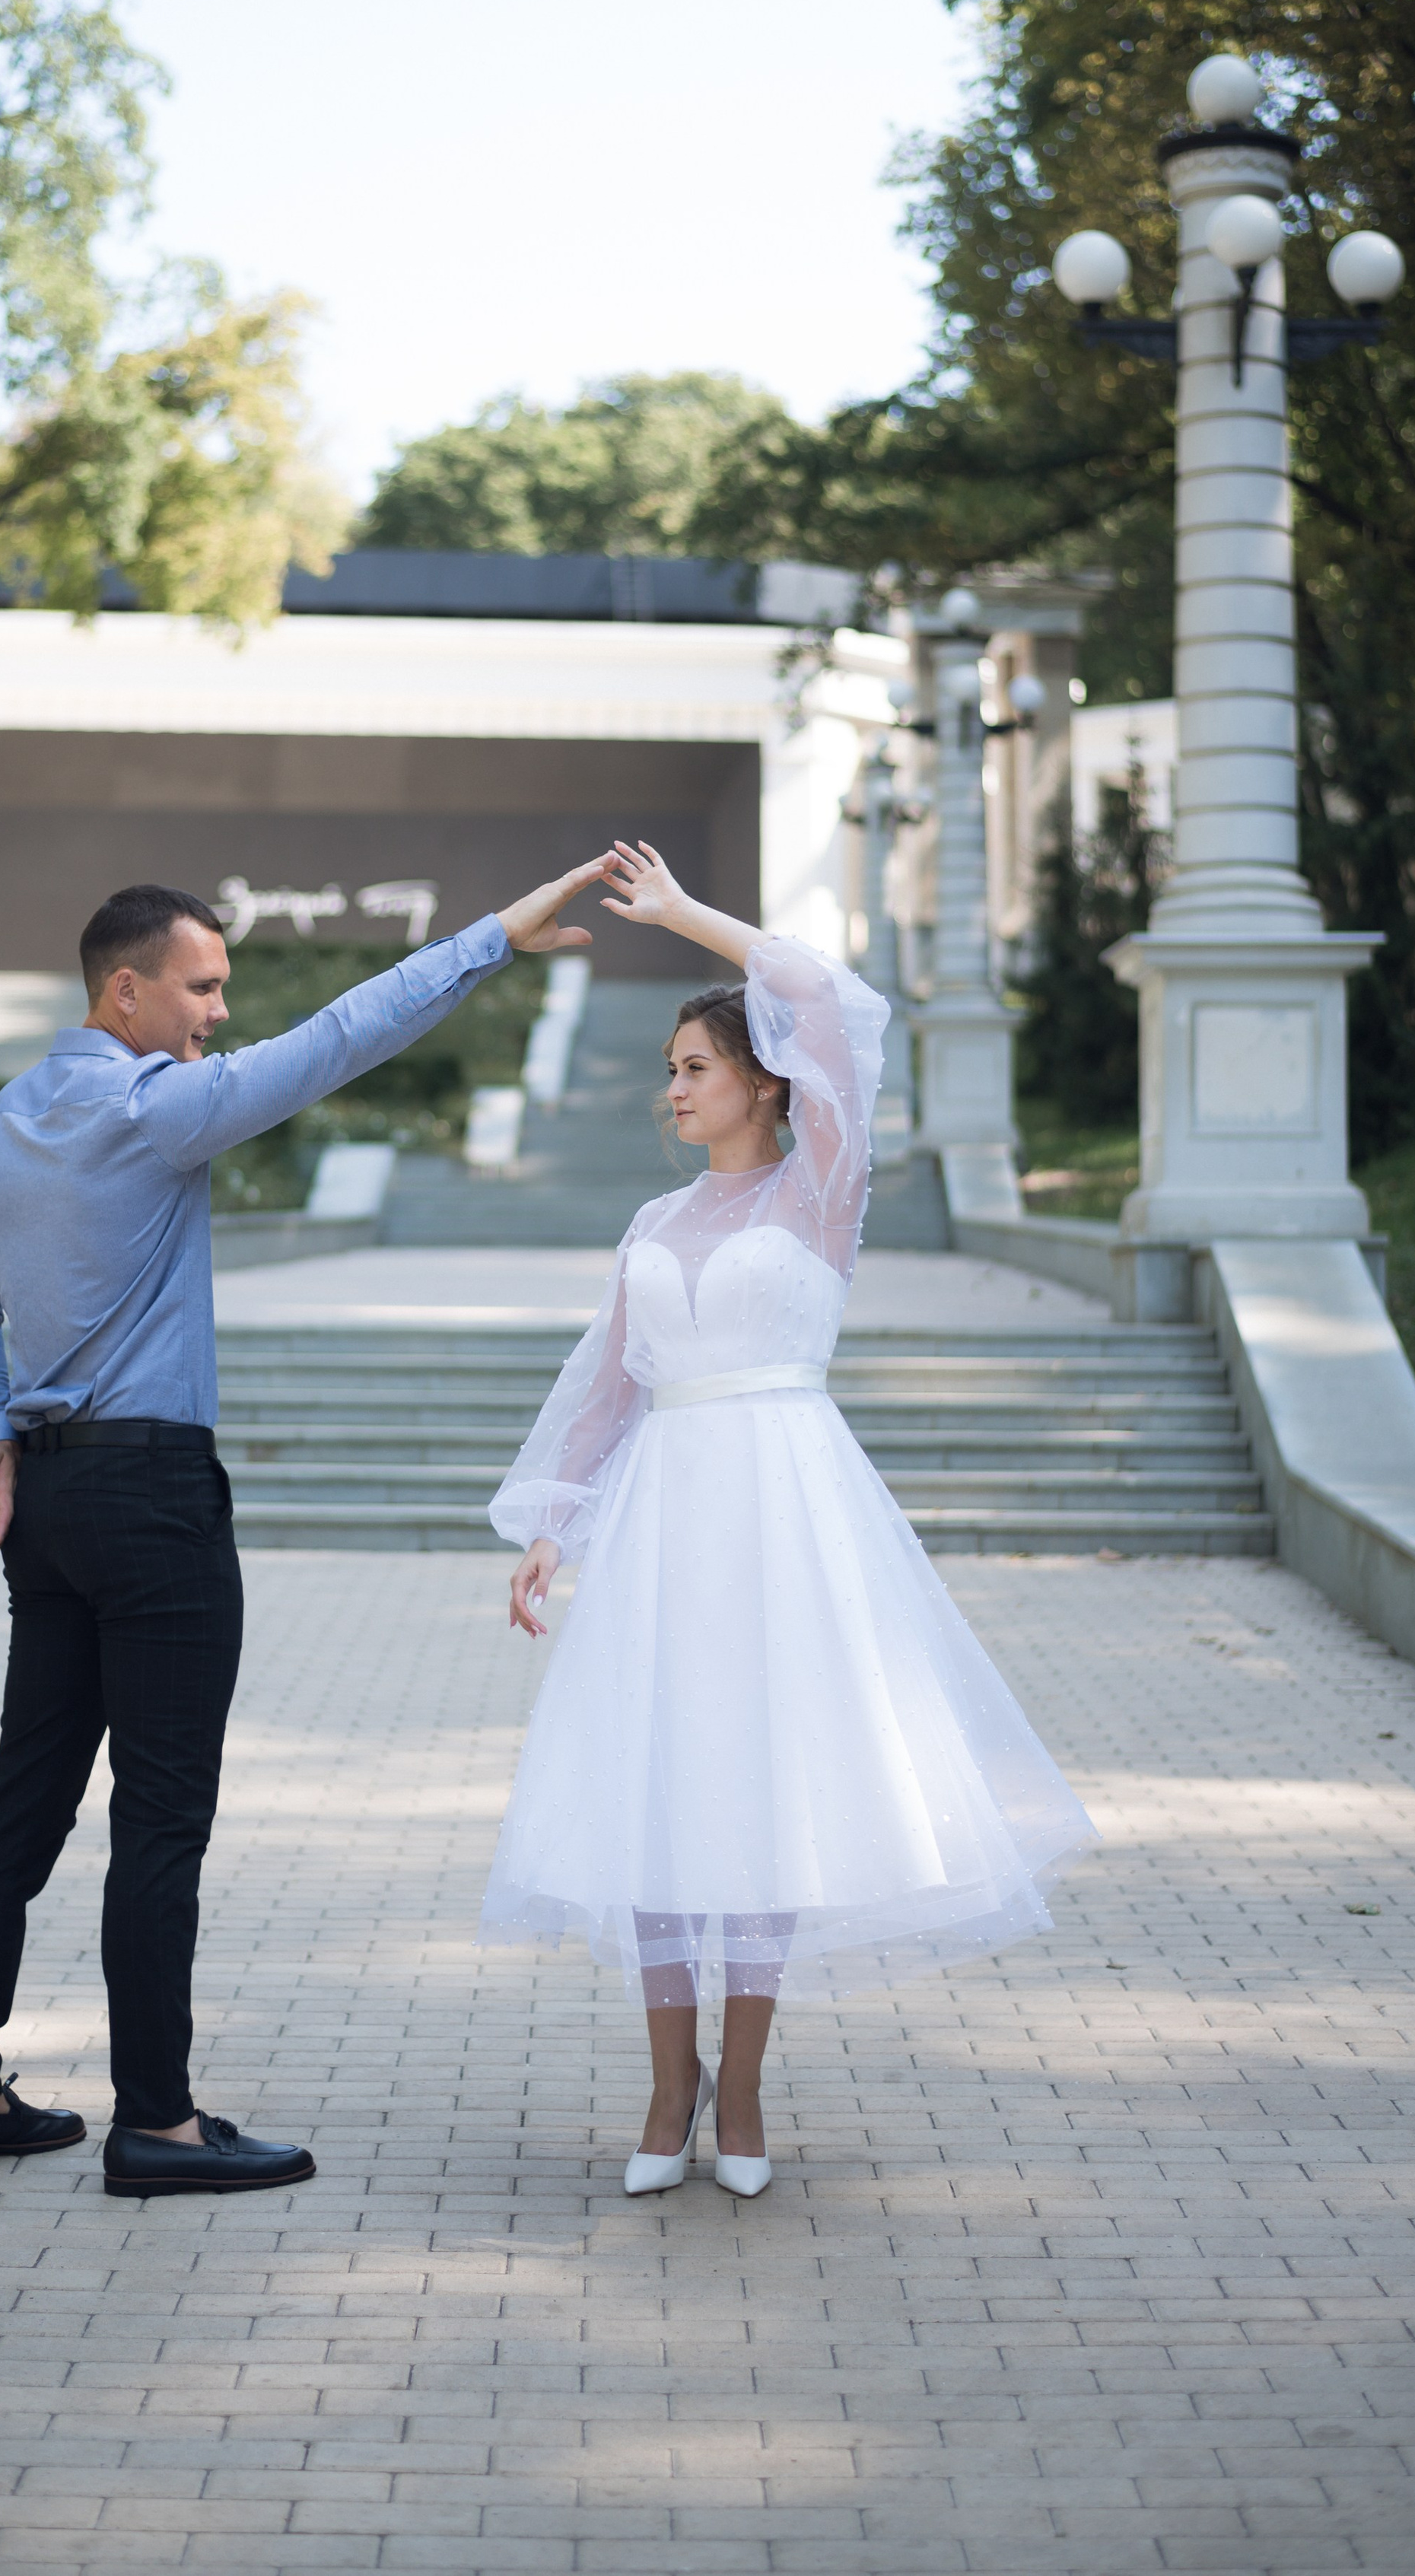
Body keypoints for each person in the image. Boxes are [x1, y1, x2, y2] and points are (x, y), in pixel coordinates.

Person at [0, 863, 608, 2199]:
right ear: (128, 990)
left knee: (24, 1797)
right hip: (154, 1499)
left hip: (52, 1505)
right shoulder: (153, 1108)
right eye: (203, 984)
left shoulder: (0, 1125)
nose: (221, 1011)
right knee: (160, 1820)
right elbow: (342, 1035)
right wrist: (495, 939)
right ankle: (157, 2125)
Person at [482, 841, 1095, 2198]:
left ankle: (742, 2086)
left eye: (693, 1067)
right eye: (670, 1070)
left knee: (758, 1790)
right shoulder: (655, 1218)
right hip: (664, 1526)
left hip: (786, 1516)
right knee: (657, 1783)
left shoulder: (820, 1194)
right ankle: (665, 2084)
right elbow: (604, 1389)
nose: (673, 1089)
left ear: (764, 1081)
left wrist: (689, 917)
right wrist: (552, 1529)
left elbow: (827, 996)